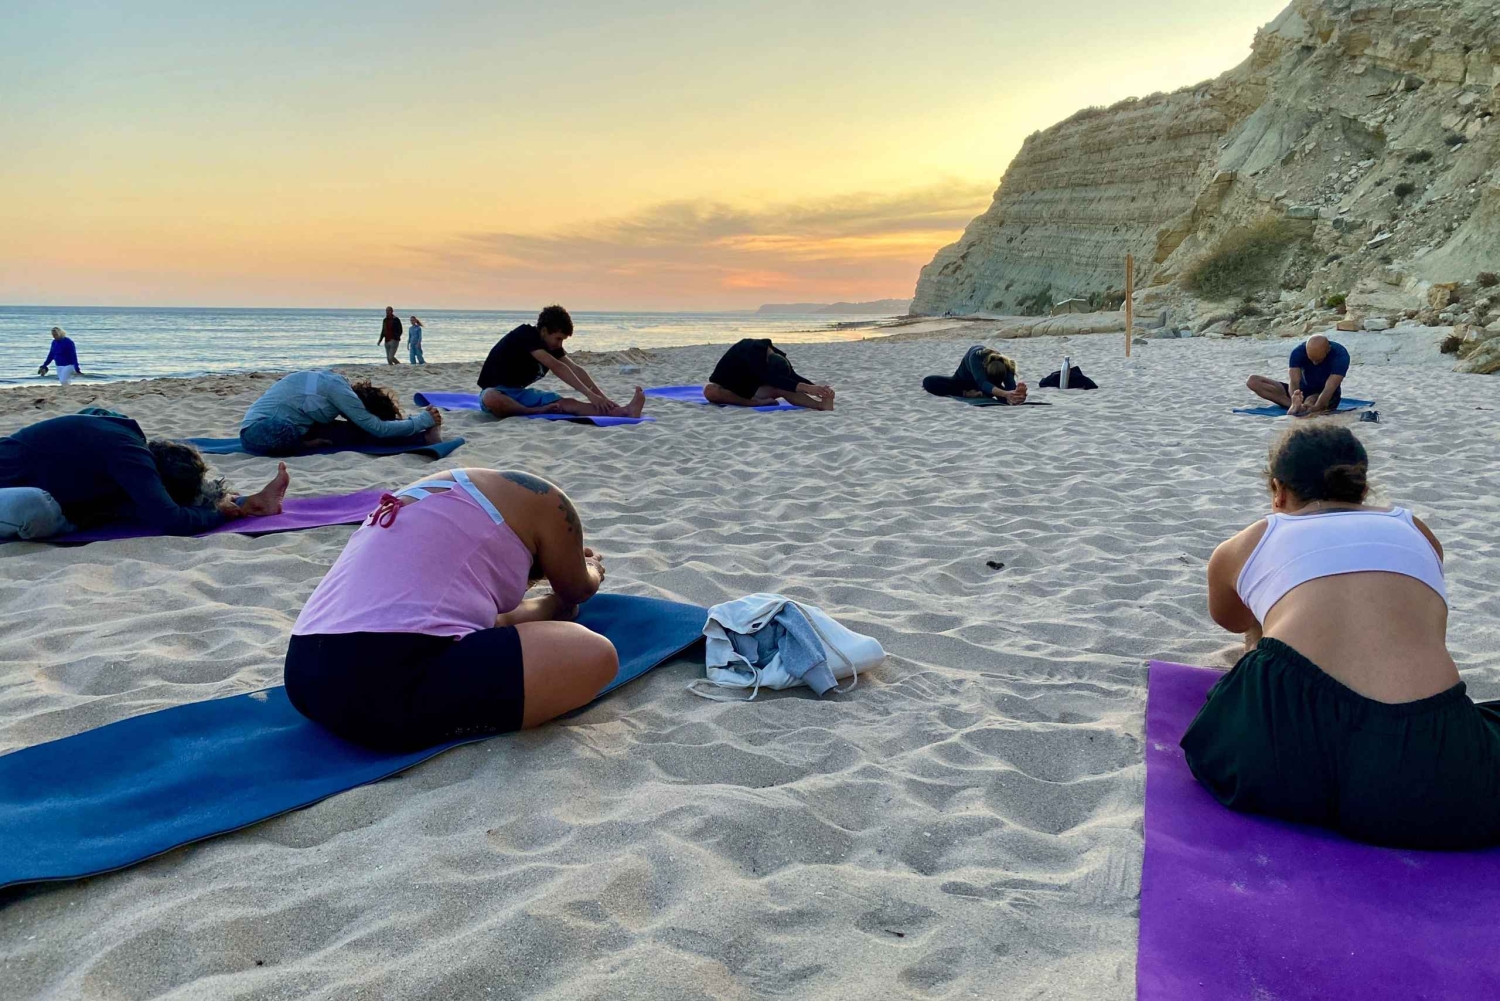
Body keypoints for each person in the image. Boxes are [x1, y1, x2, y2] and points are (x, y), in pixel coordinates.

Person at [1182, 424, 1500, 850]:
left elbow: (1233, 620)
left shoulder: (1250, 542)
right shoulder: (1416, 531)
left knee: (1264, 637)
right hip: (1425, 773)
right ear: (1363, 489)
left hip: (1276, 752)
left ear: (1277, 491)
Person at [283, 468, 618, 751]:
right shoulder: (549, 502)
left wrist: (551, 605)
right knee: (594, 654)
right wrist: (591, 567)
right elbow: (578, 589)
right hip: (384, 683)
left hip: (303, 674)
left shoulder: (443, 496)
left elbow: (485, 620)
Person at [0, 412, 289, 541]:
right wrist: (219, 515)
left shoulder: (125, 434)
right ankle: (237, 503)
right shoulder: (128, 454)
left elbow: (94, 411)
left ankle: (245, 501)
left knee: (123, 504)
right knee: (35, 505)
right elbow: (171, 519)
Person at [477, 305, 645, 419]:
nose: (559, 344)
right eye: (558, 338)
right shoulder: (525, 334)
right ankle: (533, 411)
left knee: (568, 404)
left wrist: (602, 399)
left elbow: (574, 369)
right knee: (491, 397)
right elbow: (556, 366)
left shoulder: (552, 346)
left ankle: (624, 412)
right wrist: (590, 395)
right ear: (544, 331)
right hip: (496, 392)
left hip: (518, 394)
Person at [239, 370, 443, 456]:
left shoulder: (338, 386)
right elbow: (378, 427)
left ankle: (423, 438)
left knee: (352, 432)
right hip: (256, 431)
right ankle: (303, 444)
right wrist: (422, 420)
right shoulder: (341, 393)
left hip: (301, 425)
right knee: (285, 431)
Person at [703, 338, 835, 410]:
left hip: (753, 389)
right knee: (710, 391)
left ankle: (820, 405)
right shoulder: (749, 350)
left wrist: (817, 389)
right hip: (731, 390)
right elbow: (769, 377)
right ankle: (755, 403)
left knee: (783, 386)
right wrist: (806, 387)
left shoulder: (777, 356)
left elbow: (792, 377)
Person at [1246, 334, 1349, 415]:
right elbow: (1294, 382)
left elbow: (1330, 387)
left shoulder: (1340, 355)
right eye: (1311, 359)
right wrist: (1295, 397)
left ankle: (1302, 407)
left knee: (1310, 400)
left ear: (1328, 350)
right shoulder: (1298, 352)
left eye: (1318, 360)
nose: (1314, 363)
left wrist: (1317, 407)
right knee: (1253, 381)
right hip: (1302, 390)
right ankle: (1295, 405)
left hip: (1324, 394)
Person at [922, 345, 1028, 404]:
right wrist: (1005, 394)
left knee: (1007, 397)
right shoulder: (976, 357)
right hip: (962, 383)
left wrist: (1017, 394)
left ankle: (986, 393)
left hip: (989, 388)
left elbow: (1010, 388)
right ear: (985, 367)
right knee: (929, 382)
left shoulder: (1007, 364)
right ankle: (965, 394)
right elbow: (983, 383)